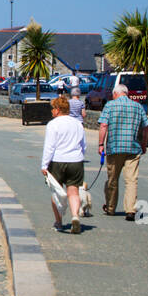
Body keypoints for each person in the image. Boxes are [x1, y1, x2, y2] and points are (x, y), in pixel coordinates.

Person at [98, 84, 148, 221]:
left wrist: (100, 144)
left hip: (114, 148)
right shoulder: (138, 106)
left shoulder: (110, 105)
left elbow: (103, 125)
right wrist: (144, 144)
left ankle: (110, 207)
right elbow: (146, 128)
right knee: (131, 180)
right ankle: (131, 210)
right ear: (126, 93)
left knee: (112, 179)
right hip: (133, 148)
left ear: (116, 94)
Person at [41, 95, 86, 233]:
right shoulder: (77, 124)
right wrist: (80, 156)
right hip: (75, 160)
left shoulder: (53, 124)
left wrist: (44, 165)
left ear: (58, 109)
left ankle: (59, 222)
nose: (52, 111)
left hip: (58, 160)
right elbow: (83, 144)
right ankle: (75, 216)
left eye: (53, 108)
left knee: (57, 192)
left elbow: (50, 146)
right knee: (73, 192)